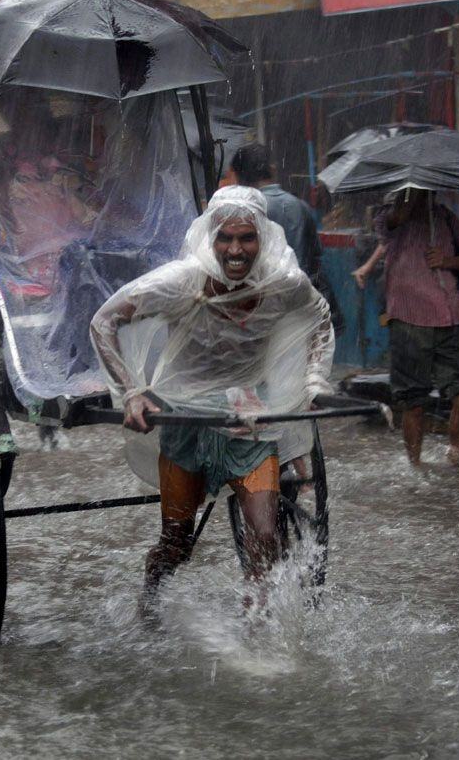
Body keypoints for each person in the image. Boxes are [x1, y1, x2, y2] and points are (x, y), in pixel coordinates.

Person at [90, 186, 334, 616]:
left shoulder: (284, 283)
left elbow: (319, 318)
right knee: (177, 544)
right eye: (226, 238)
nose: (235, 250)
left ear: (263, 238)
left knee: (265, 534)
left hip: (247, 416)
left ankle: (255, 632)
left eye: (246, 238)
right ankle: (149, 601)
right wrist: (131, 392)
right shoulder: (182, 281)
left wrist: (312, 383)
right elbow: (104, 321)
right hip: (185, 419)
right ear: (211, 238)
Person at [352, 188, 459, 467]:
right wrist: (410, 201)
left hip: (449, 317)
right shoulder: (390, 217)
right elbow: (391, 225)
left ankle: (454, 456)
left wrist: (447, 261)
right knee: (413, 402)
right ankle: (415, 466)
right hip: (408, 321)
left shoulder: (446, 217)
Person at [230, 144, 342, 332]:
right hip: (304, 309)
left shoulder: (245, 212)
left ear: (241, 176)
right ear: (271, 170)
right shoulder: (301, 207)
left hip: (266, 314)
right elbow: (314, 258)